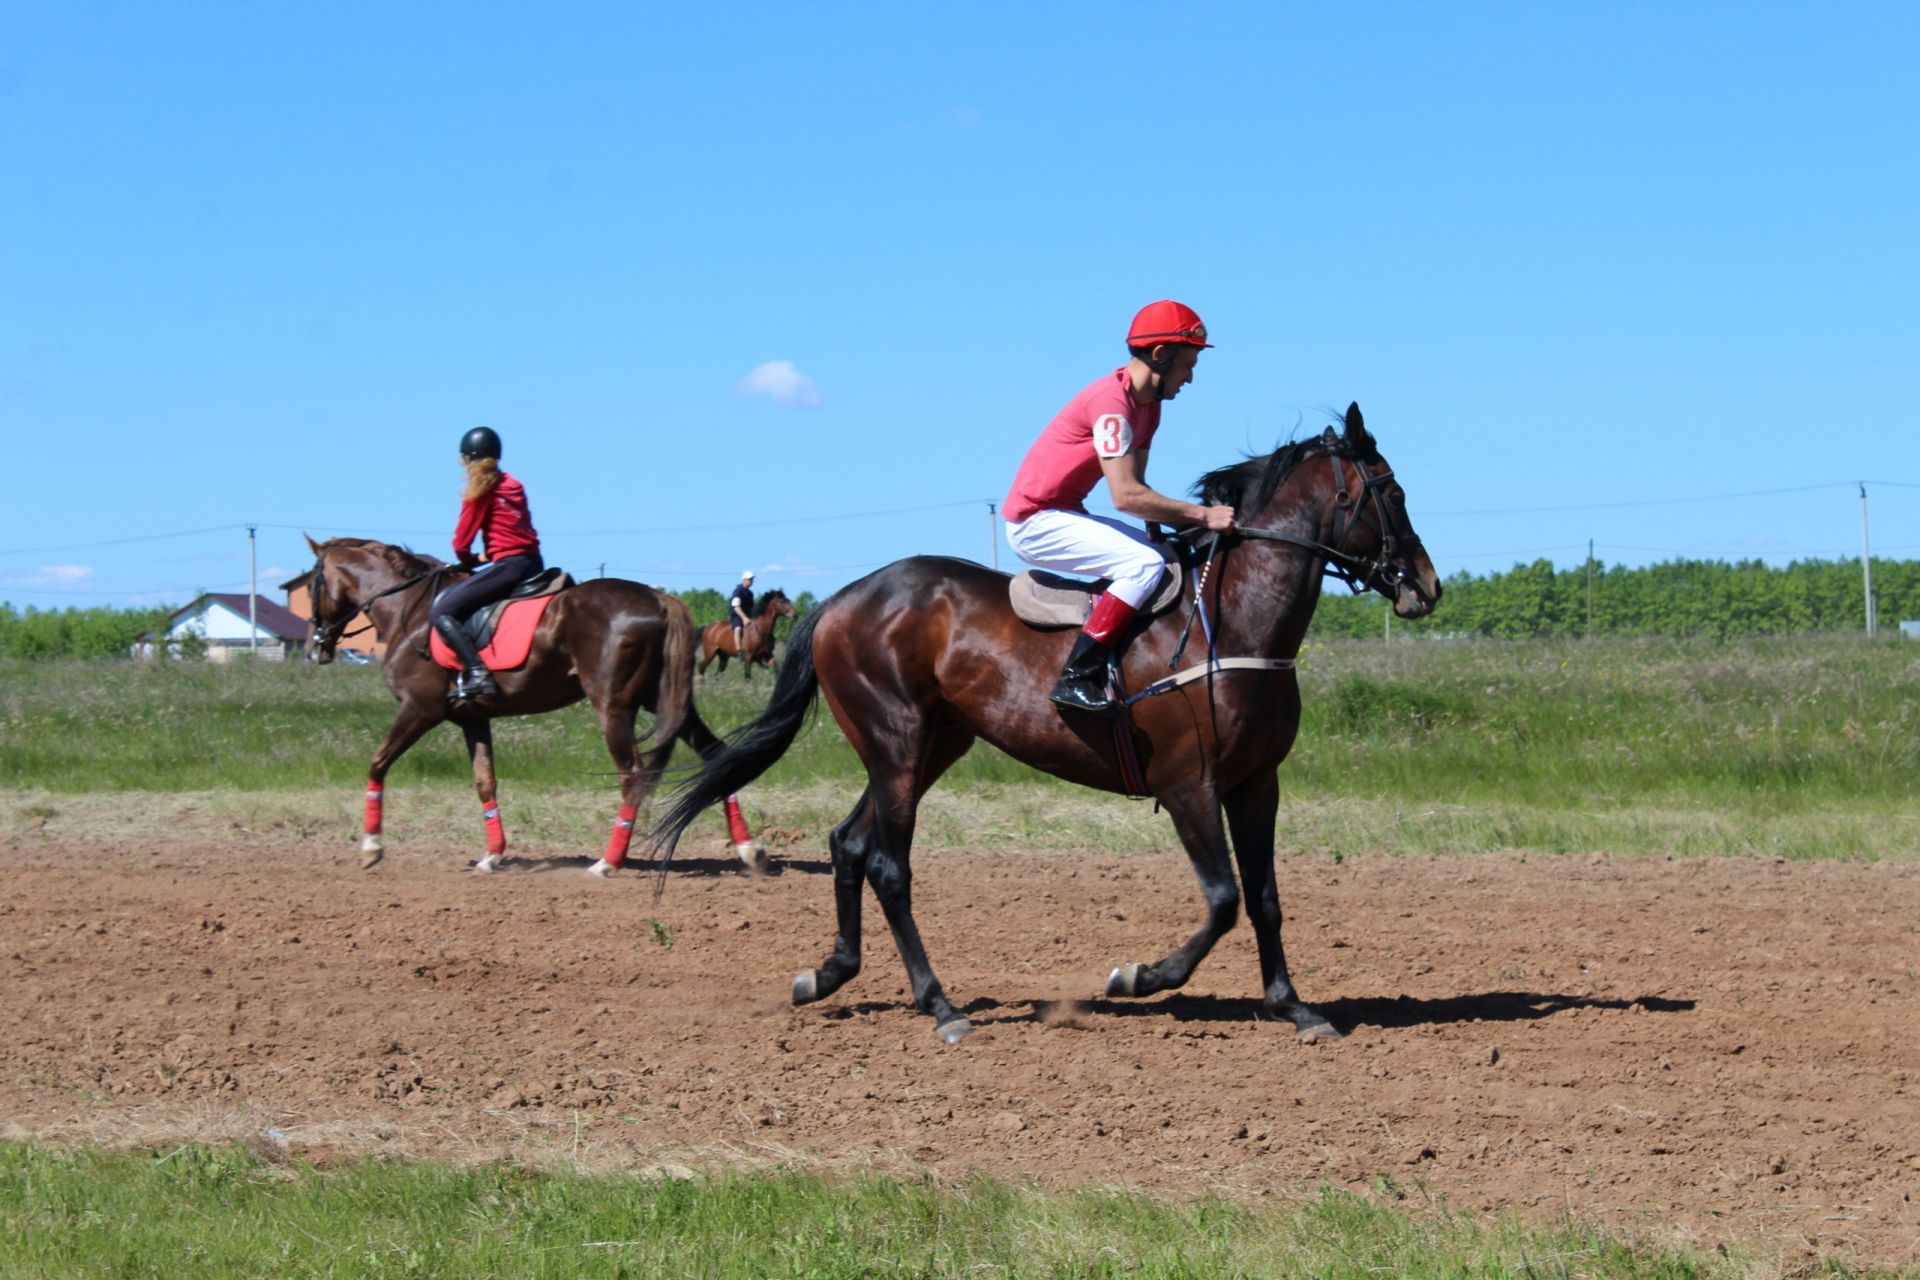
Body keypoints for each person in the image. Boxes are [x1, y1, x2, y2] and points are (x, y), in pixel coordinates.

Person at [1003, 300, 1236, 716]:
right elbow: (1126, 496)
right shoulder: (1113, 405)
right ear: (1161, 355)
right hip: (1035, 522)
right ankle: (1077, 675)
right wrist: (1203, 516)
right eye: (1188, 363)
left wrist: (1172, 530)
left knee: (1166, 559)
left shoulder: (1150, 407)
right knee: (1144, 566)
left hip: (1064, 513)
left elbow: (1139, 487)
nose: (1191, 377)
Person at [429, 426, 544, 699]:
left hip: (510, 566)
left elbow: (461, 543)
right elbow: (511, 536)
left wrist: (466, 561)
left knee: (442, 612)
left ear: (470, 459)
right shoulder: (513, 484)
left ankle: (477, 671)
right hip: (531, 562)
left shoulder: (481, 488)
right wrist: (485, 557)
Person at [728, 570, 756, 659]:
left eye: (752, 579)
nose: (751, 581)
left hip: (748, 616)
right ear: (744, 580)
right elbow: (736, 606)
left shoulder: (750, 593)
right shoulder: (737, 591)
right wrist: (744, 618)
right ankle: (739, 651)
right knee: (738, 628)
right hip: (737, 615)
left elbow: (752, 607)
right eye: (749, 579)